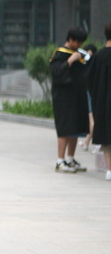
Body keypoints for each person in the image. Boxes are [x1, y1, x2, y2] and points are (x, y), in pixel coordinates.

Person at [50, 27, 90, 173]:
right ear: (70, 39)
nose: (79, 45)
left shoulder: (79, 53)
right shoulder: (60, 54)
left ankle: (70, 158)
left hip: (77, 96)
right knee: (65, 128)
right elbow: (56, 72)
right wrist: (69, 61)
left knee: (75, 127)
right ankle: (60, 161)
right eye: (77, 42)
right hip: (64, 97)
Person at [87, 22, 111, 181]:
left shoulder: (98, 57)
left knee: (107, 138)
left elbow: (89, 80)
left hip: (102, 103)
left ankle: (109, 170)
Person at [80, 44, 98, 152]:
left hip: (90, 92)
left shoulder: (89, 64)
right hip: (95, 93)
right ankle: (86, 142)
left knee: (92, 119)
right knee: (92, 118)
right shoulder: (97, 63)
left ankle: (97, 145)